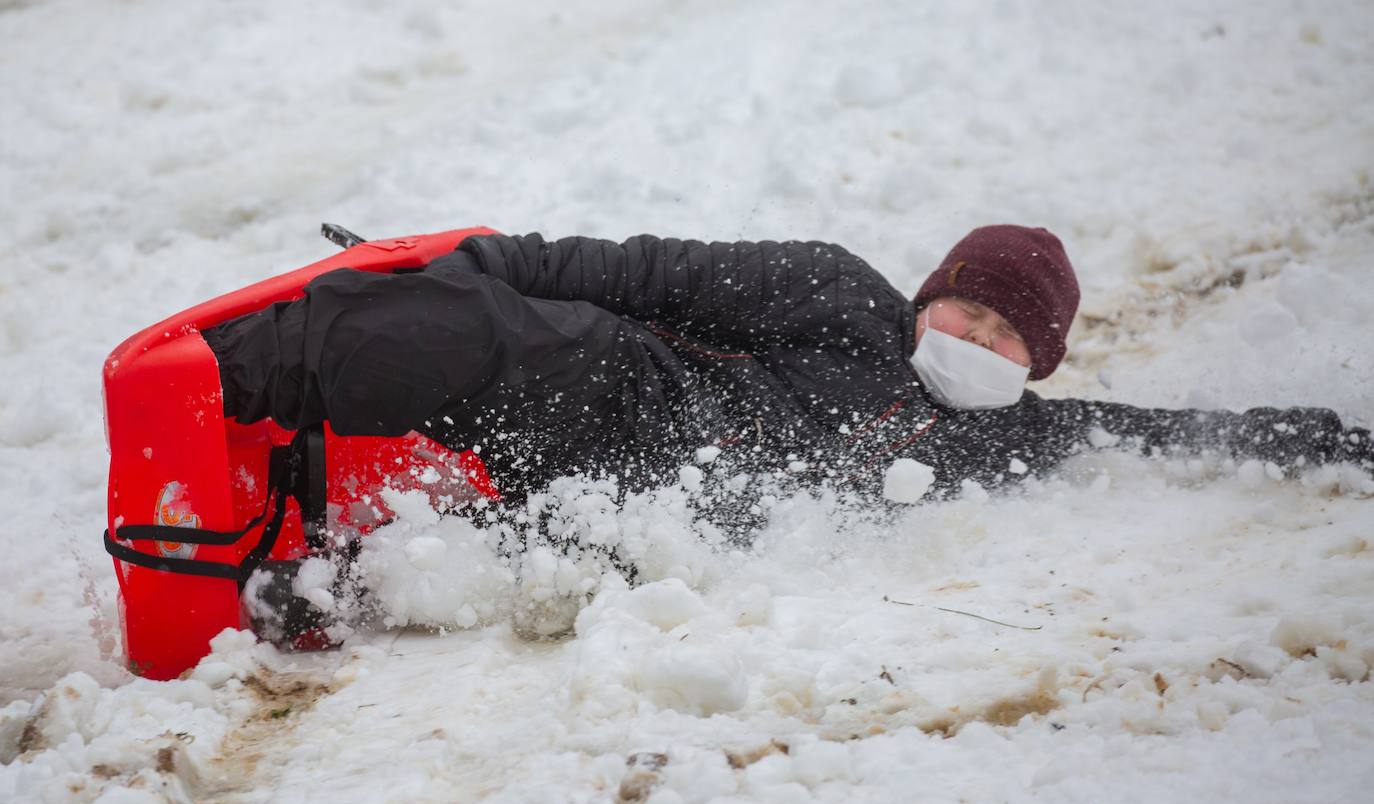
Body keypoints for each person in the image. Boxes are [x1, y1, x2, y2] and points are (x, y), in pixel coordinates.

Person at [203, 225, 1373, 527]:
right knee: (505, 333)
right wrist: (478, 267)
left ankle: (320, 577)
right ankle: (217, 385)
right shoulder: (833, 291)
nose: (976, 338)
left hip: (649, 517)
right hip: (623, 400)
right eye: (964, 307)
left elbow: (1156, 432)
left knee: (549, 557)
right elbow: (634, 273)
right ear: (927, 297)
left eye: (1007, 337)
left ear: (1038, 366)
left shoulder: (1009, 439)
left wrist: (1327, 436)